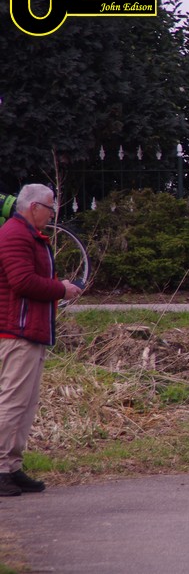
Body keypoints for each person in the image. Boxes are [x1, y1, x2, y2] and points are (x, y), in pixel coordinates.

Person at [0, 184, 83, 496]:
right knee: (13, 402)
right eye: (50, 208)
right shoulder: (15, 234)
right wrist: (61, 289)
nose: (52, 214)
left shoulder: (28, 235)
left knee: (26, 403)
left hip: (31, 330)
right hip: (18, 331)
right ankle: (1, 468)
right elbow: (22, 282)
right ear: (33, 207)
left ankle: (12, 466)